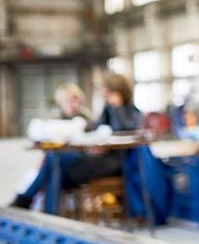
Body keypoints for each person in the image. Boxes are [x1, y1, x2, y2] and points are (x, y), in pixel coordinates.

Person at [11, 76, 142, 212]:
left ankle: (26, 200)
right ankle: (45, 213)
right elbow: (96, 131)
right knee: (55, 165)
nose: (102, 93)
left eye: (105, 90)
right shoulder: (107, 109)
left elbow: (122, 132)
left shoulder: (132, 112)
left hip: (114, 163)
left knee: (54, 161)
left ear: (116, 90)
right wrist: (91, 144)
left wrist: (117, 106)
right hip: (97, 158)